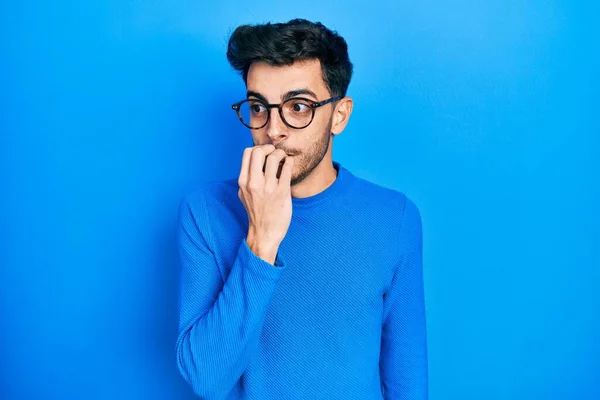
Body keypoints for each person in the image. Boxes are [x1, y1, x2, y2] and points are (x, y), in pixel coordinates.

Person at [175, 18, 428, 399]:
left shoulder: (395, 217)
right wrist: (261, 241)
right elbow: (206, 379)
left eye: (297, 106)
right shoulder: (205, 212)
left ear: (339, 115)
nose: (273, 129)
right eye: (259, 107)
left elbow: (407, 380)